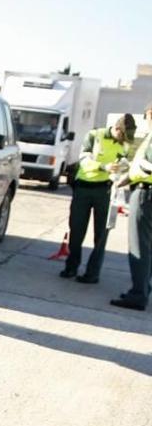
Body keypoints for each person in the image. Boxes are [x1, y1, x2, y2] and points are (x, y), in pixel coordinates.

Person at [60, 114, 136, 284]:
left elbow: (123, 161)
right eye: (123, 135)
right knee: (77, 230)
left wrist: (122, 168)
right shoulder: (95, 135)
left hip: (106, 191)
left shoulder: (124, 144)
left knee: (101, 234)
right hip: (84, 188)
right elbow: (84, 159)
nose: (125, 140)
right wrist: (103, 166)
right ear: (117, 129)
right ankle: (71, 266)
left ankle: (92, 273)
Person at [111, 102, 152, 310]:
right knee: (148, 246)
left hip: (146, 194)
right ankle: (144, 288)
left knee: (139, 246)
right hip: (143, 187)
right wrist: (128, 178)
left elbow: (147, 166)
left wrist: (132, 174)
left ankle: (138, 294)